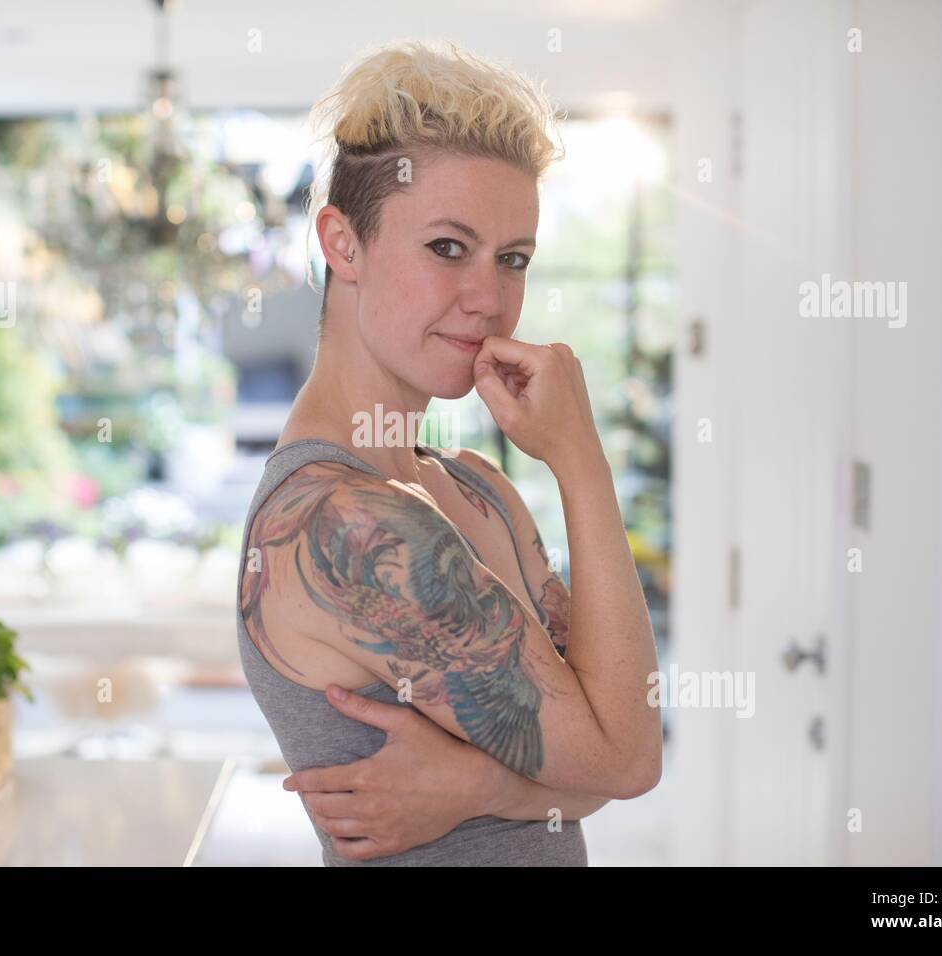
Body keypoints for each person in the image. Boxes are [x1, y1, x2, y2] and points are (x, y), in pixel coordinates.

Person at [234, 38, 661, 866]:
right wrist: (580, 463)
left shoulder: (475, 485)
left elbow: (614, 755)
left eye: (513, 259)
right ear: (342, 243)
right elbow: (630, 757)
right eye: (447, 248)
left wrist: (484, 786)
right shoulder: (346, 520)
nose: (489, 300)